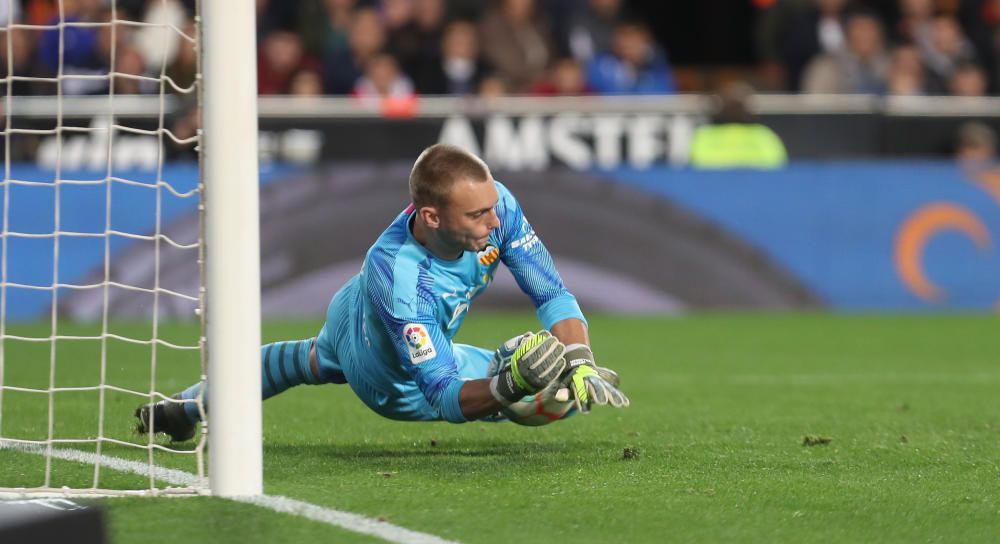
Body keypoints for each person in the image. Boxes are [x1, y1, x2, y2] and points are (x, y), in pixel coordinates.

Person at [137, 144, 629, 441]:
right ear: (432, 217)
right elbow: (441, 395)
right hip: (387, 376)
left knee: (301, 360)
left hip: (351, 307)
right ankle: (507, 368)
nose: (495, 221)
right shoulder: (401, 278)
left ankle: (182, 410)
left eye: (492, 206)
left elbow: (549, 290)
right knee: (547, 389)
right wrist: (509, 386)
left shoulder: (495, 205)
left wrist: (581, 354)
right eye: (478, 216)